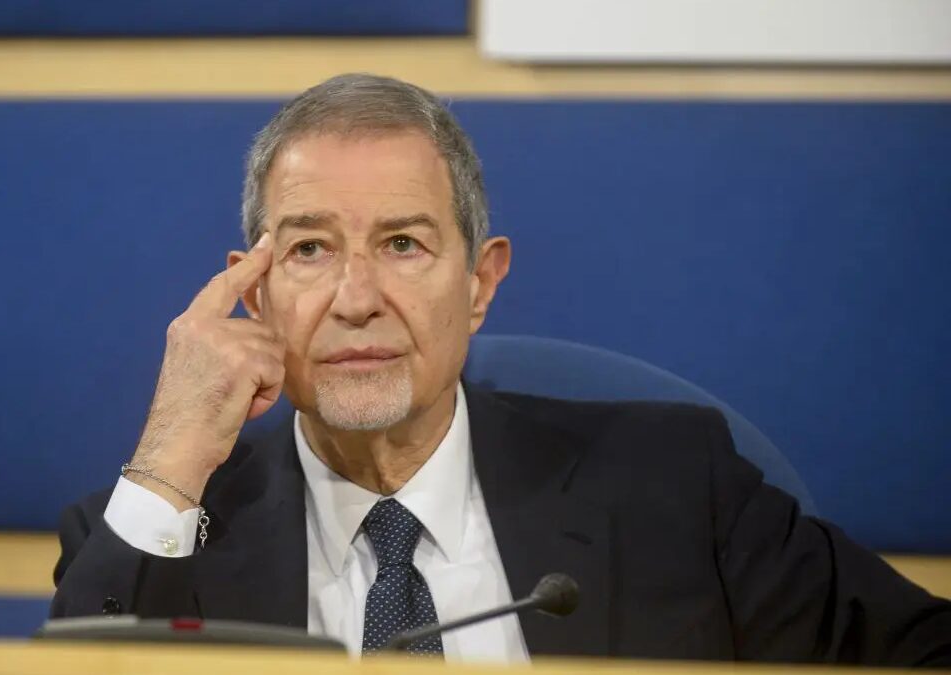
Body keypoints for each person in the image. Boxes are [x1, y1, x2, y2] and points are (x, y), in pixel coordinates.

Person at [50, 73, 951, 665]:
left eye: (403, 244)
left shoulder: (679, 486)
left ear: (480, 284)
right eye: (311, 249)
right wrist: (167, 458)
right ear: (256, 293)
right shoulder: (153, 533)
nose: (356, 298)